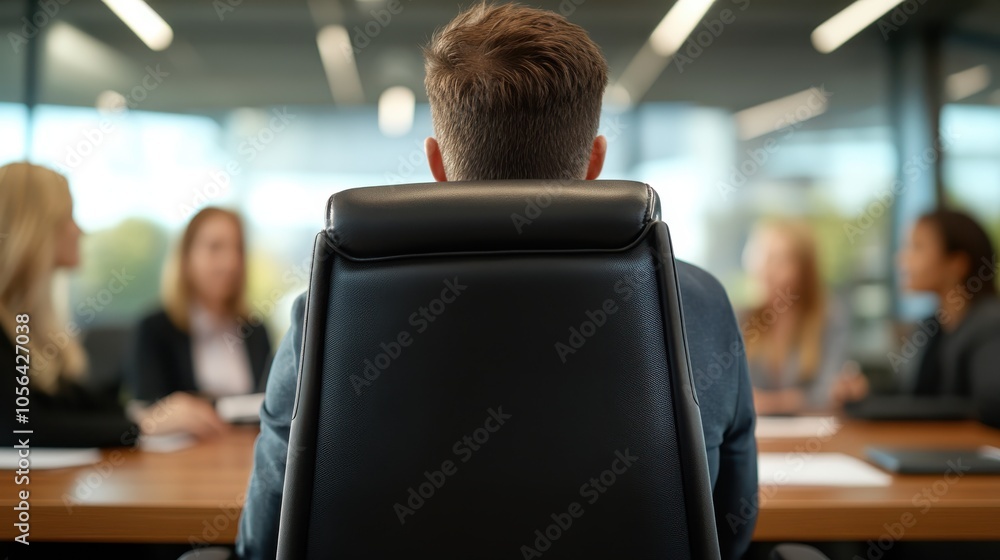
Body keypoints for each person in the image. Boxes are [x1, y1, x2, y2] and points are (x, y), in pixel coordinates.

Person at [237, 4, 757, 559]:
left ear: (436, 165)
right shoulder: (696, 303)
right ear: (595, 161)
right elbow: (727, 531)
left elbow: (266, 537)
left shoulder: (329, 313)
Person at [0, 162, 227, 447]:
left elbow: (71, 404)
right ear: (32, 229)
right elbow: (21, 426)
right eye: (67, 217)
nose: (79, 230)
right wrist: (142, 425)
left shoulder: (29, 324)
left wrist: (151, 415)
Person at [126, 208, 272, 407]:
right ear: (186, 257)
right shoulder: (155, 329)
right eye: (215, 247)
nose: (230, 263)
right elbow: (145, 409)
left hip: (247, 438)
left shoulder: (256, 329)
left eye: (237, 249)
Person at [741, 220, 867, 414]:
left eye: (779, 260)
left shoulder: (830, 318)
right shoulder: (741, 319)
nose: (766, 270)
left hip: (813, 436)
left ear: (804, 271)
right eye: (761, 257)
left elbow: (830, 392)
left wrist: (769, 403)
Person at [897, 209, 1000, 427]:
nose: (902, 259)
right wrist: (865, 395)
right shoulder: (933, 325)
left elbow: (990, 405)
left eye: (917, 247)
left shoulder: (991, 325)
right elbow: (913, 397)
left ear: (957, 263)